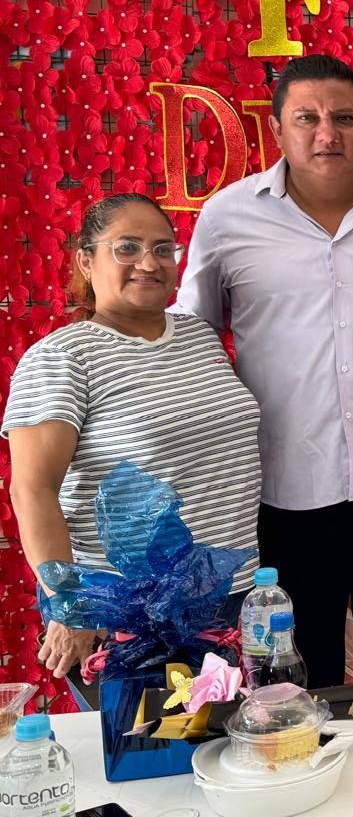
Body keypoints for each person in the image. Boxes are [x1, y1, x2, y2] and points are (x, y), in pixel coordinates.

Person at [175, 54, 353, 688]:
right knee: (299, 682)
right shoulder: (227, 218)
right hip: (285, 493)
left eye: (344, 118)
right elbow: (192, 336)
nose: (326, 133)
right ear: (277, 129)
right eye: (307, 118)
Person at [3, 193, 261, 679]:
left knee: (239, 730)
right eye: (127, 248)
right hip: (129, 614)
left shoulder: (198, 336)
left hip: (234, 597)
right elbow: (32, 489)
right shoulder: (63, 357)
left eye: (163, 249)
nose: (148, 263)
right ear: (86, 260)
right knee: (152, 733)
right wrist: (71, 605)